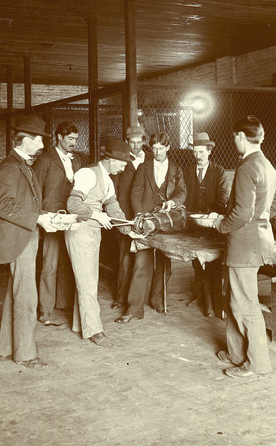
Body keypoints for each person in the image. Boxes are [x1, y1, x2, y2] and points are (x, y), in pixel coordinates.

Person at [0, 114, 60, 368]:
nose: (42, 143)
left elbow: (25, 202)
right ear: (26, 139)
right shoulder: (9, 168)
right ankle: (26, 355)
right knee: (27, 297)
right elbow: (4, 206)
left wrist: (43, 216)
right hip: (19, 239)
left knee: (15, 293)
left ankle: (6, 348)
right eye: (39, 138)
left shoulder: (22, 164)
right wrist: (37, 219)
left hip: (25, 235)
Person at [214, 115, 276, 379]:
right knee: (236, 300)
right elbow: (274, 207)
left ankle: (258, 364)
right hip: (260, 241)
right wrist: (258, 221)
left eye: (234, 137)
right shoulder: (267, 165)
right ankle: (236, 353)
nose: (234, 141)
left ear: (241, 136)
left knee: (246, 304)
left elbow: (241, 213)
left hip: (243, 246)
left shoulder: (246, 168)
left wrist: (219, 224)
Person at [65, 139, 133, 347]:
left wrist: (129, 230)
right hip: (79, 231)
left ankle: (81, 325)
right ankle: (95, 330)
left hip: (93, 234)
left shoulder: (108, 179)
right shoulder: (88, 174)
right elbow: (72, 204)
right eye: (122, 163)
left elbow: (113, 208)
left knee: (88, 280)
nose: (124, 167)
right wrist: (96, 214)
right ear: (111, 160)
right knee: (87, 282)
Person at [117, 132, 186, 322]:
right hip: (146, 220)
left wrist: (172, 202)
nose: (157, 152)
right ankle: (134, 309)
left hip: (165, 220)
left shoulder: (175, 168)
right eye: (154, 148)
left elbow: (182, 192)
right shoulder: (143, 167)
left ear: (168, 148)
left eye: (161, 148)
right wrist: (139, 214)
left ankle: (157, 300)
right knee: (140, 263)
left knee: (164, 264)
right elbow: (135, 193)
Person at [32, 121, 83, 327]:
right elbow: (35, 190)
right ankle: (45, 310)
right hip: (52, 219)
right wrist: (43, 215)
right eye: (70, 139)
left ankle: (63, 303)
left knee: (68, 262)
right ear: (59, 137)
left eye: (75, 139)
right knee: (49, 265)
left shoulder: (77, 160)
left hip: (72, 217)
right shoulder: (45, 160)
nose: (73, 143)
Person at [183, 132, 229, 318]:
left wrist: (214, 212)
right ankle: (202, 297)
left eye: (201, 152)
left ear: (209, 152)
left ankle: (213, 305)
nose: (198, 156)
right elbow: (184, 195)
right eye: (195, 152)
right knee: (197, 263)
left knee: (213, 265)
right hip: (194, 226)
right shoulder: (187, 172)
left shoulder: (219, 172)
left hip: (212, 226)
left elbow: (223, 197)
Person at [111, 125, 150, 310]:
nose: (135, 147)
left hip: (145, 216)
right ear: (127, 142)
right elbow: (115, 191)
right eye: (132, 143)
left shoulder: (150, 160)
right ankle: (120, 298)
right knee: (125, 258)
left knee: (143, 258)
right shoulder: (121, 160)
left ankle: (142, 299)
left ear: (144, 141)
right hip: (125, 216)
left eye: (139, 142)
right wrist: (117, 218)